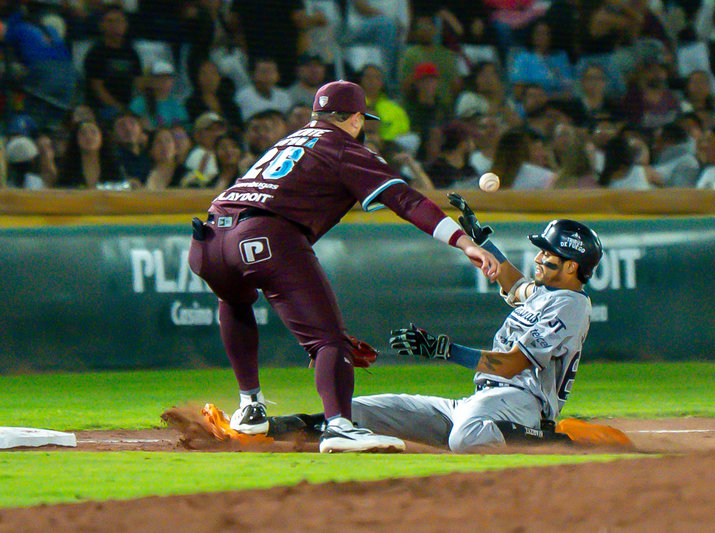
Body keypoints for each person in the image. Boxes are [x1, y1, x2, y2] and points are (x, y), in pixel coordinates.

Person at [187, 80, 501, 453]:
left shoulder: (287, 142)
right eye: (362, 120)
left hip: (209, 238)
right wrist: (463, 241)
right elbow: (406, 200)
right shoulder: (342, 147)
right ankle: (339, 426)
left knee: (235, 302)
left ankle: (250, 406)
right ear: (354, 118)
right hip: (264, 235)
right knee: (328, 340)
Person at [259, 200, 603, 453]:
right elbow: (515, 284)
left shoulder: (572, 305)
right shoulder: (546, 293)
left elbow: (512, 364)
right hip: (482, 401)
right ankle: (272, 430)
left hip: (523, 404)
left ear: (572, 267)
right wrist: (482, 242)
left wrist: (444, 350)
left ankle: (549, 438)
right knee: (358, 410)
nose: (539, 257)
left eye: (548, 253)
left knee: (467, 437)